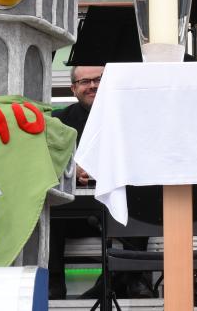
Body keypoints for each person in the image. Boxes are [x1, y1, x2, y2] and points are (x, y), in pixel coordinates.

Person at [49, 66, 151, 301]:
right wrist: (71, 170)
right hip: (76, 211)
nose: (93, 85)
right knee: (51, 212)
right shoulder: (58, 121)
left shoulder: (131, 118)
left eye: (99, 80)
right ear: (74, 89)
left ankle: (136, 280)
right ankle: (54, 284)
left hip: (119, 210)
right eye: (85, 81)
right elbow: (45, 161)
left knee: (138, 204)